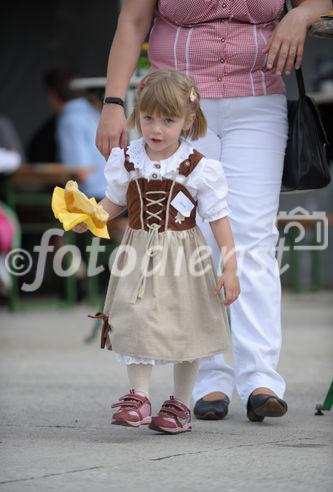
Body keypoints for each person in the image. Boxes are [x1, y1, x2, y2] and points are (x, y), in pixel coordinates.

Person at [95, 0, 332, 423]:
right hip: (175, 111)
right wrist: (113, 101)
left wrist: (301, 15)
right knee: (191, 237)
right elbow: (132, 21)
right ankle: (208, 380)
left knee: (253, 234)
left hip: (258, 102)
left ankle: (261, 377)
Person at [73, 69, 240, 434]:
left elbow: (218, 219)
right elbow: (115, 201)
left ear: (188, 120)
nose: (156, 129)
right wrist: (92, 216)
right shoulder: (130, 159)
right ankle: (140, 395)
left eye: (168, 120)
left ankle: (180, 403)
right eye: (148, 118)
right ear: (137, 115)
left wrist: (229, 267)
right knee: (134, 315)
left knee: (187, 324)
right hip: (138, 250)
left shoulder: (198, 167)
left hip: (184, 254)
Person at [44, 68, 107, 200]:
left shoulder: (69, 119)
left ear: (53, 96)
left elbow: (79, 172)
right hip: (111, 192)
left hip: (92, 197)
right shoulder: (93, 111)